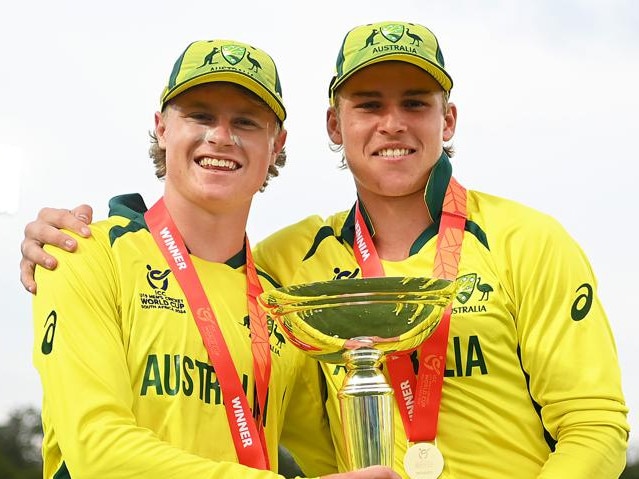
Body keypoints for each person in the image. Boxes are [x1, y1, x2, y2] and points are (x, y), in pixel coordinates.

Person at [20, 21, 629, 478]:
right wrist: (51, 241)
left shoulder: (529, 240)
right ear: (334, 125)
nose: (392, 123)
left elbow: (595, 425)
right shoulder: (288, 268)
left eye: (415, 102)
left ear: (448, 120)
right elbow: (98, 441)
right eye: (369, 104)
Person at [25, 36, 400, 479]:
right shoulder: (83, 253)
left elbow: (339, 458)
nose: (221, 137)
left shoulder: (280, 306)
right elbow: (98, 453)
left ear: (275, 145)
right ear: (162, 127)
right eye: (200, 116)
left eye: (245, 122)